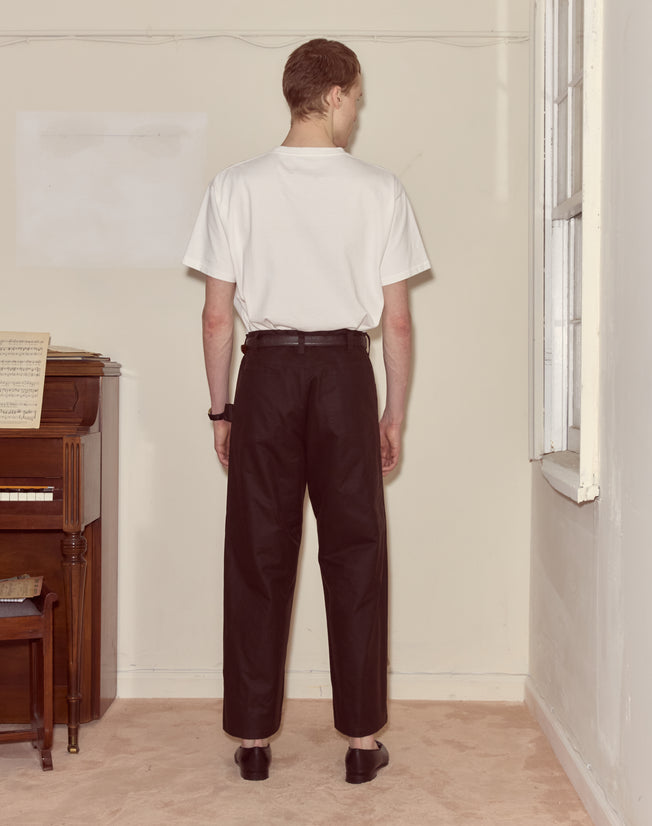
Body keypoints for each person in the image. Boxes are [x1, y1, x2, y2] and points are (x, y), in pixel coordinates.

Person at [183, 38, 429, 784]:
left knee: (258, 552)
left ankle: (255, 741)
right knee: (354, 551)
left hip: (266, 378)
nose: (356, 111)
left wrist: (222, 410)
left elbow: (217, 318)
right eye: (355, 97)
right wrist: (392, 414)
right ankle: (359, 742)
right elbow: (397, 323)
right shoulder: (379, 189)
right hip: (342, 376)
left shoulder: (235, 186)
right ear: (333, 96)